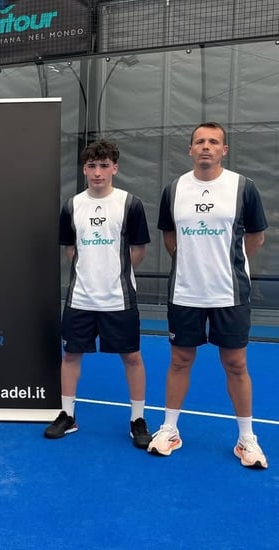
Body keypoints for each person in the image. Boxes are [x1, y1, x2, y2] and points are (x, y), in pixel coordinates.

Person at [148, 122, 269, 469]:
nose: (206, 146)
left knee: (236, 364)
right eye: (199, 141)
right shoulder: (174, 190)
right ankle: (169, 430)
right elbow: (170, 237)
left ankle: (247, 439)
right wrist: (192, 263)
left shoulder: (243, 188)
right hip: (185, 292)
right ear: (190, 149)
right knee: (179, 361)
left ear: (224, 150)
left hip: (229, 293)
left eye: (213, 141)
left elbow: (255, 238)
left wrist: (227, 266)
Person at [44, 140, 153, 449]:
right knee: (71, 355)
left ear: (114, 168)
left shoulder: (130, 203)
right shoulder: (72, 205)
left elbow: (139, 251)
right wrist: (90, 273)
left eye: (104, 166)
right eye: (92, 166)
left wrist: (111, 273)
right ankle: (67, 415)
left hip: (119, 298)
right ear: (84, 169)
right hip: (80, 297)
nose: (98, 172)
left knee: (132, 356)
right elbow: (70, 249)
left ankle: (137, 419)